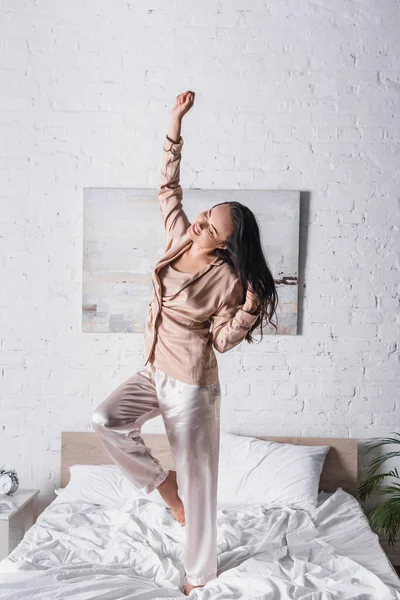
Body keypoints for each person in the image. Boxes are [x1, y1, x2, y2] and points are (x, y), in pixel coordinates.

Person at [91, 90, 278, 596]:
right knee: (105, 420)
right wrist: (175, 123)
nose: (200, 222)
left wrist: (250, 308)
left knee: (201, 483)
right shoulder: (178, 236)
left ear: (223, 242)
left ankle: (200, 576)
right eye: (207, 213)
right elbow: (168, 189)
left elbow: (220, 339)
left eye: (212, 226)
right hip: (154, 369)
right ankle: (164, 487)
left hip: (192, 384)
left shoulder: (228, 279)